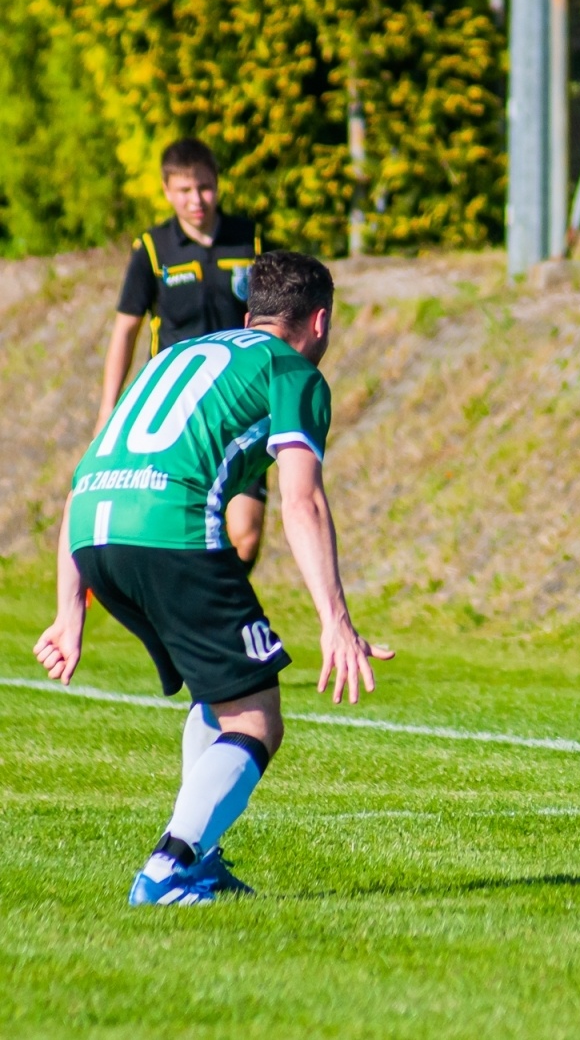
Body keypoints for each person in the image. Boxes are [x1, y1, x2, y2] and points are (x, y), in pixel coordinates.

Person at [34, 252, 392, 905]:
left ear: (251, 311)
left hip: (92, 529)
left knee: (218, 690)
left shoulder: (172, 357)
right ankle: (170, 867)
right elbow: (302, 500)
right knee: (257, 718)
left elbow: (87, 473)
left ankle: (201, 858)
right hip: (168, 532)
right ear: (318, 321)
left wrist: (69, 607)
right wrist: (335, 620)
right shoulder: (293, 372)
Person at [102, 138, 271, 567]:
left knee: (245, 535)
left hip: (241, 405)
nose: (197, 200)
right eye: (184, 190)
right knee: (178, 529)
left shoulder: (250, 240)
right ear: (166, 190)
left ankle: (217, 617)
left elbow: (279, 316)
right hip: (177, 411)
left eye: (205, 187)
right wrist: (108, 412)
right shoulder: (153, 249)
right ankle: (200, 623)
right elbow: (126, 331)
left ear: (217, 184)